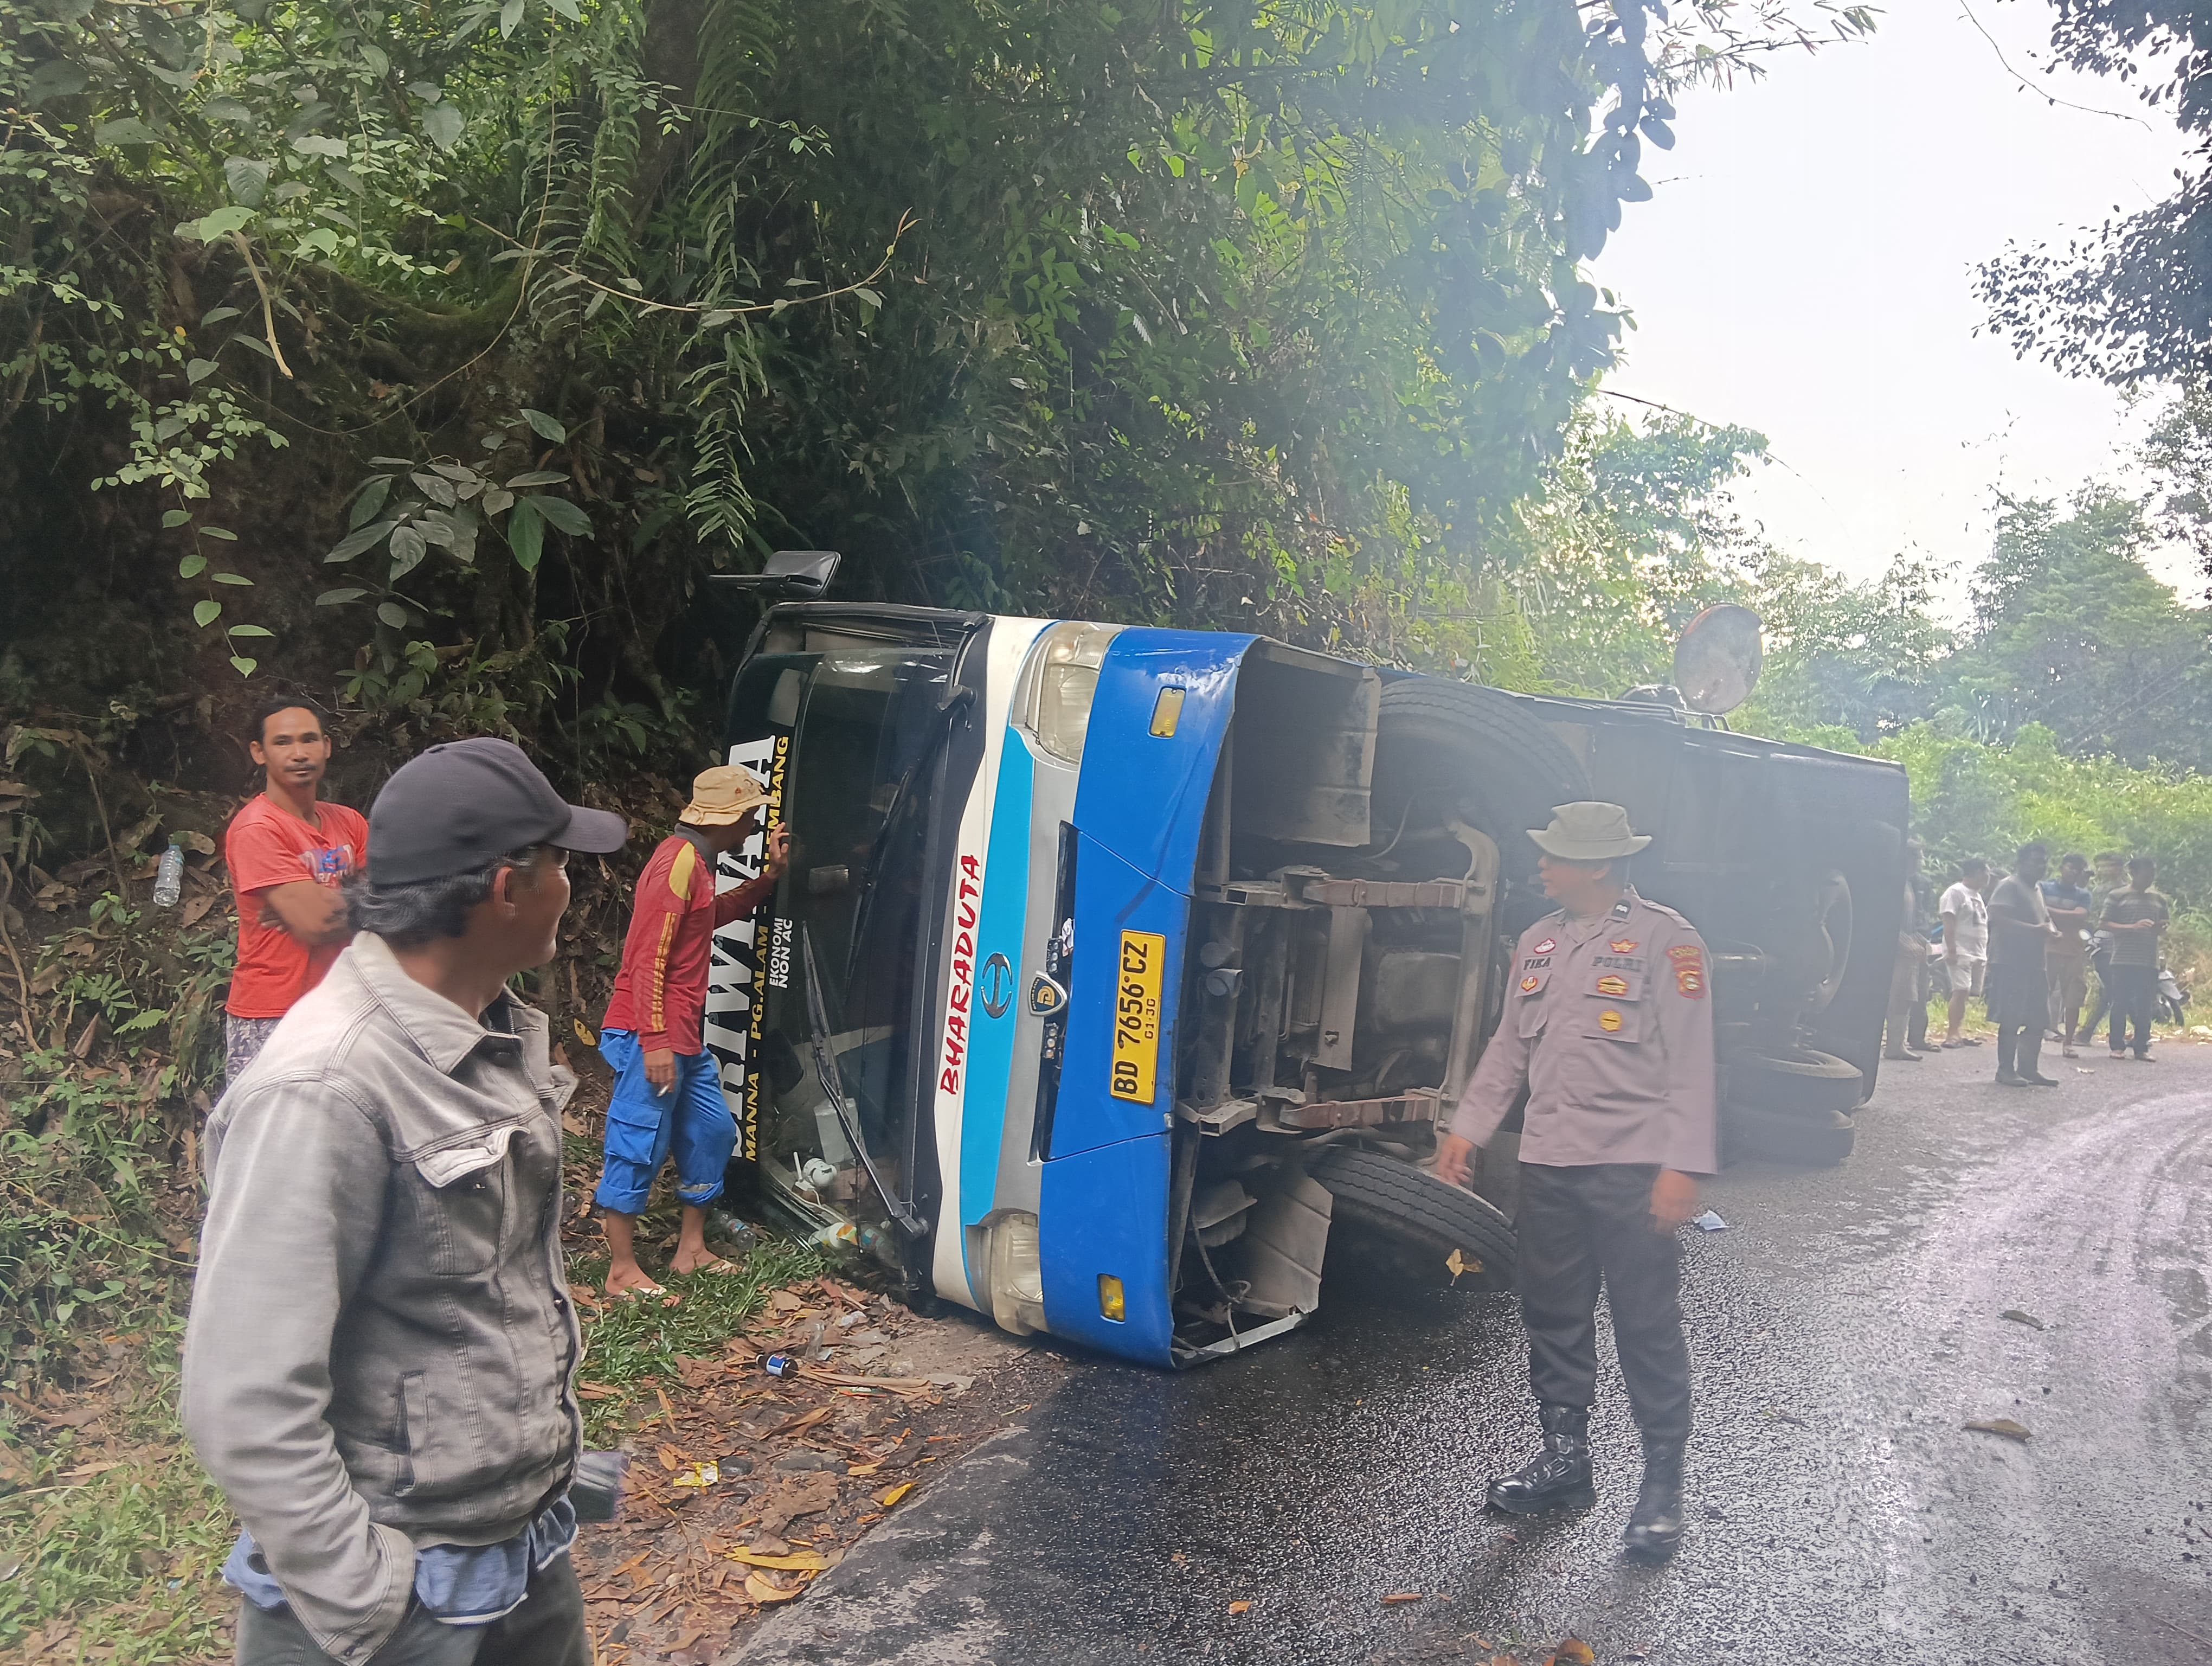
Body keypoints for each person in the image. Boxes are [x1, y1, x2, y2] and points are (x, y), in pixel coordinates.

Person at [182, 738, 629, 1666]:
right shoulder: (325, 1086)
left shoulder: (485, 1030)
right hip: (402, 1599)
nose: (570, 887)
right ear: (507, 890)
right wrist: (370, 1599)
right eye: (560, 866)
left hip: (522, 1551)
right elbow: (245, 1397)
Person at [1435, 802, 1714, 1563]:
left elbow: (1694, 1060)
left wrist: (1683, 1163)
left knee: (1646, 1324)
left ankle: (1662, 1486)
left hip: (1632, 1168)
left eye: (1555, 854)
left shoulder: (1668, 941)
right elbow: (1509, 1048)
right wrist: (1468, 1128)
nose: (1542, 864)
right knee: (1553, 1315)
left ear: (1597, 866)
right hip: (1550, 1164)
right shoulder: (1539, 941)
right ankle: (1566, 1460)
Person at [596, 765, 789, 1298]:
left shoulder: (698, 864)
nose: (752, 826)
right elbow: (647, 957)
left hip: (680, 1034)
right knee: (637, 1142)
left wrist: (768, 879)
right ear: (724, 818)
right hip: (648, 1033)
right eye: (748, 816)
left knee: (712, 1131)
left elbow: (708, 917)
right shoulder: (677, 862)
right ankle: (621, 1271)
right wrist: (655, 1041)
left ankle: (691, 1251)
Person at [221, 698, 368, 1080]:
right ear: (259, 752)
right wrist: (368, 903)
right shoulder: (258, 829)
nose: (299, 753)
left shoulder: (349, 821)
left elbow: (393, 897)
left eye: (309, 740)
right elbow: (319, 923)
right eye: (283, 742)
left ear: (327, 746)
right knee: (268, 1119)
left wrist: (341, 905)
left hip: (347, 1005)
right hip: (275, 1011)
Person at [1985, 843, 2060, 1087]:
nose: (2041, 866)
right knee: (2011, 1016)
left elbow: (2046, 919)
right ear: (2021, 863)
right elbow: (1997, 918)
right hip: (2010, 961)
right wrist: (2034, 930)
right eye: (2035, 861)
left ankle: (2029, 1068)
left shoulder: (2037, 889)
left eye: (2044, 862)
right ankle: (2005, 1069)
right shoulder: (2009, 885)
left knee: (2039, 1018)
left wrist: (2052, 931)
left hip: (2035, 963)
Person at [2100, 855, 2170, 1061]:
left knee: (2145, 1006)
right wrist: (2132, 927)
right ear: (2133, 873)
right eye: (2146, 873)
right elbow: (2104, 923)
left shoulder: (2159, 899)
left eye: (2153, 873)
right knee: (2120, 1003)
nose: (2150, 877)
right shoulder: (2117, 896)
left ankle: (2141, 1047)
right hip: (2122, 959)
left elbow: (2163, 927)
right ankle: (2117, 1046)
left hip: (2148, 960)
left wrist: (2160, 928)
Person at [2041, 852, 2095, 1059]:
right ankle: (2034, 1036)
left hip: (2073, 951)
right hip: (2046, 949)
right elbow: (2037, 911)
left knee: (2073, 997)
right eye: (2071, 867)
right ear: (2062, 867)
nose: (2074, 872)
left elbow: (2080, 915)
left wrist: (2050, 911)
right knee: (2039, 994)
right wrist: (2066, 915)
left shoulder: (2084, 895)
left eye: (2078, 870)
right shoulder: (2044, 887)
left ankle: (2069, 1042)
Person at [1883, 840, 1930, 1062]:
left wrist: (1918, 939)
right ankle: (1892, 1044)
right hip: (1895, 952)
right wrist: (1902, 941)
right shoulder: (1890, 883)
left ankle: (1897, 1044)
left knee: (1906, 998)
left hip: (1908, 950)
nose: (1921, 862)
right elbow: (1886, 920)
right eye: (1918, 857)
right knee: (1895, 997)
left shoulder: (1909, 884)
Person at [1938, 860, 1991, 1047]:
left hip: (1977, 951)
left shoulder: (1977, 896)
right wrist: (1952, 949)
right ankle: (1952, 1034)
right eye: (1986, 872)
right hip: (1960, 950)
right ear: (1977, 872)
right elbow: (1949, 920)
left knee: (1970, 993)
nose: (1988, 877)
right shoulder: (1956, 892)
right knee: (1961, 990)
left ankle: (1959, 1031)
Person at [2079, 849, 2127, 1039]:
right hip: (2102, 946)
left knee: (2113, 991)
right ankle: (2089, 1031)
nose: (2102, 870)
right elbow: (2091, 918)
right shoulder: (2098, 891)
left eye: (2107, 866)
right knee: (2111, 989)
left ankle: (2088, 1031)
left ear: (2119, 868)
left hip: (2119, 945)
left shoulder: (2125, 891)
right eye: (2100, 867)